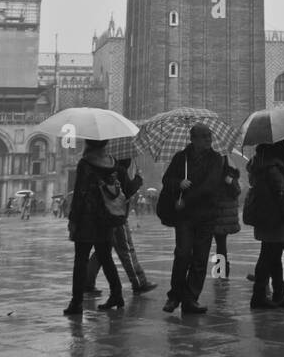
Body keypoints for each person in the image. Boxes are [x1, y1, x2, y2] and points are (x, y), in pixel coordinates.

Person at [63, 139, 134, 315]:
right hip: (106, 217)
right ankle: (117, 294)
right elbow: (124, 189)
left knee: (80, 260)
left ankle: (76, 302)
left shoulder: (86, 163)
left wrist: (73, 218)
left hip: (87, 218)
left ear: (88, 144)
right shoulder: (112, 163)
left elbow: (80, 193)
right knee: (105, 257)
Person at [161, 123, 223, 315]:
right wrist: (179, 183)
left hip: (206, 215)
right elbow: (167, 179)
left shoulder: (216, 159)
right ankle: (174, 295)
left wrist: (186, 200)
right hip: (185, 218)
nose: (208, 140)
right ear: (193, 139)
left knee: (200, 258)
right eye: (204, 137)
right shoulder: (181, 158)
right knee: (182, 254)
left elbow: (210, 186)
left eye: (209, 136)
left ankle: (191, 299)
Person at [85, 153, 156, 296]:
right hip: (117, 218)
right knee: (127, 250)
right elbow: (128, 190)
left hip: (101, 217)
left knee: (101, 252)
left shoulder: (101, 169)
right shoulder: (119, 170)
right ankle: (139, 282)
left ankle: (86, 283)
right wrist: (138, 179)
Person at [248, 141, 284, 309]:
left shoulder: (261, 166)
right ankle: (259, 295)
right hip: (276, 219)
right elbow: (281, 194)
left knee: (274, 256)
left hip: (266, 218)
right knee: (267, 257)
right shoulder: (273, 169)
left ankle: (279, 294)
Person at [213, 155, 242, 276]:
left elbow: (236, 192)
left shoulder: (229, 175)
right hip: (214, 213)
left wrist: (230, 183)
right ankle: (221, 268)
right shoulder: (212, 173)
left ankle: (221, 268)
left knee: (220, 243)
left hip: (221, 215)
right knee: (219, 243)